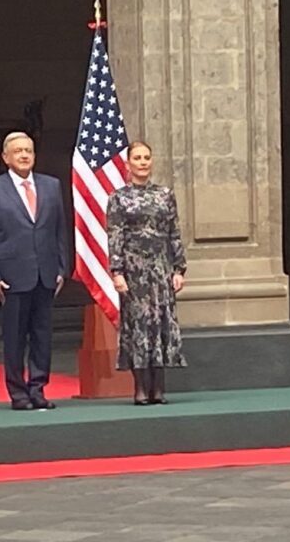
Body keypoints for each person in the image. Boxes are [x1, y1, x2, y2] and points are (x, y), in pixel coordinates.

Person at [0, 132, 69, 410]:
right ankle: (18, 393)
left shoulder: (51, 186)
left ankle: (38, 388)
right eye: (18, 151)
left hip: (45, 273)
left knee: (42, 335)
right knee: (15, 337)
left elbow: (60, 230)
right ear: (5, 157)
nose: (24, 155)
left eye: (28, 150)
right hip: (11, 276)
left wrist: (62, 268)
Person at [107, 141, 187, 405]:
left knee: (160, 323)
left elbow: (174, 232)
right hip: (133, 273)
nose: (142, 162)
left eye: (146, 157)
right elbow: (115, 236)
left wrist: (179, 268)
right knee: (138, 327)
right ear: (128, 164)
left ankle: (159, 388)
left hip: (161, 269)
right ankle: (140, 388)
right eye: (137, 158)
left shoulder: (165, 195)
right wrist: (117, 271)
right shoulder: (118, 198)